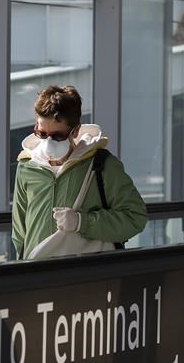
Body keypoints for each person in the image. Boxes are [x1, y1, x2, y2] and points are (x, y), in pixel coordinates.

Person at [11, 85, 147, 260]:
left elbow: (135, 218)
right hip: (38, 275)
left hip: (85, 276)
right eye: (42, 133)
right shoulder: (26, 166)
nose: (48, 142)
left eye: (57, 136)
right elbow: (19, 232)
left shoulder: (103, 164)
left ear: (75, 131)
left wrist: (81, 222)